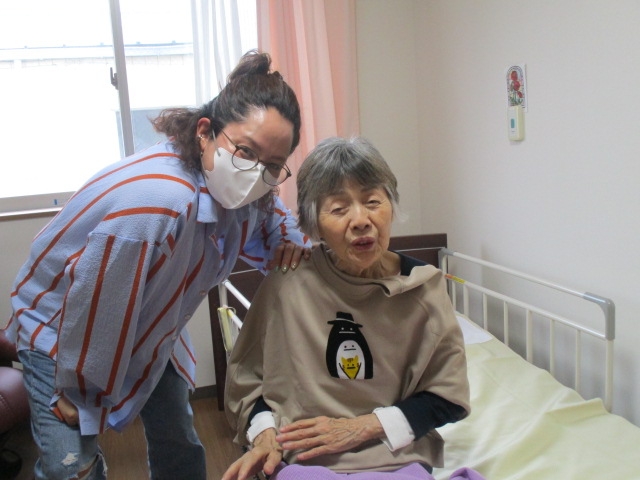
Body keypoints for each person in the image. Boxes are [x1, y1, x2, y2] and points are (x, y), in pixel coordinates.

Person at [4, 50, 311, 480]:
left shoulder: (241, 189)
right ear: (205, 132)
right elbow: (100, 306)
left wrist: (290, 241)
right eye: (246, 152)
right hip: (66, 330)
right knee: (72, 467)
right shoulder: (159, 202)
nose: (255, 174)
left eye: (273, 166)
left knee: (177, 435)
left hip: (149, 317)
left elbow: (271, 213)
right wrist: (81, 390)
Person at [223, 136, 476, 480]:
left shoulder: (423, 288)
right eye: (339, 209)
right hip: (306, 457)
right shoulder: (288, 284)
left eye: (372, 201)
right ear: (314, 224)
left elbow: (448, 397)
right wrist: (264, 435)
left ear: (391, 206)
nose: (360, 220)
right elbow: (246, 378)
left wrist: (362, 427)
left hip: (396, 458)